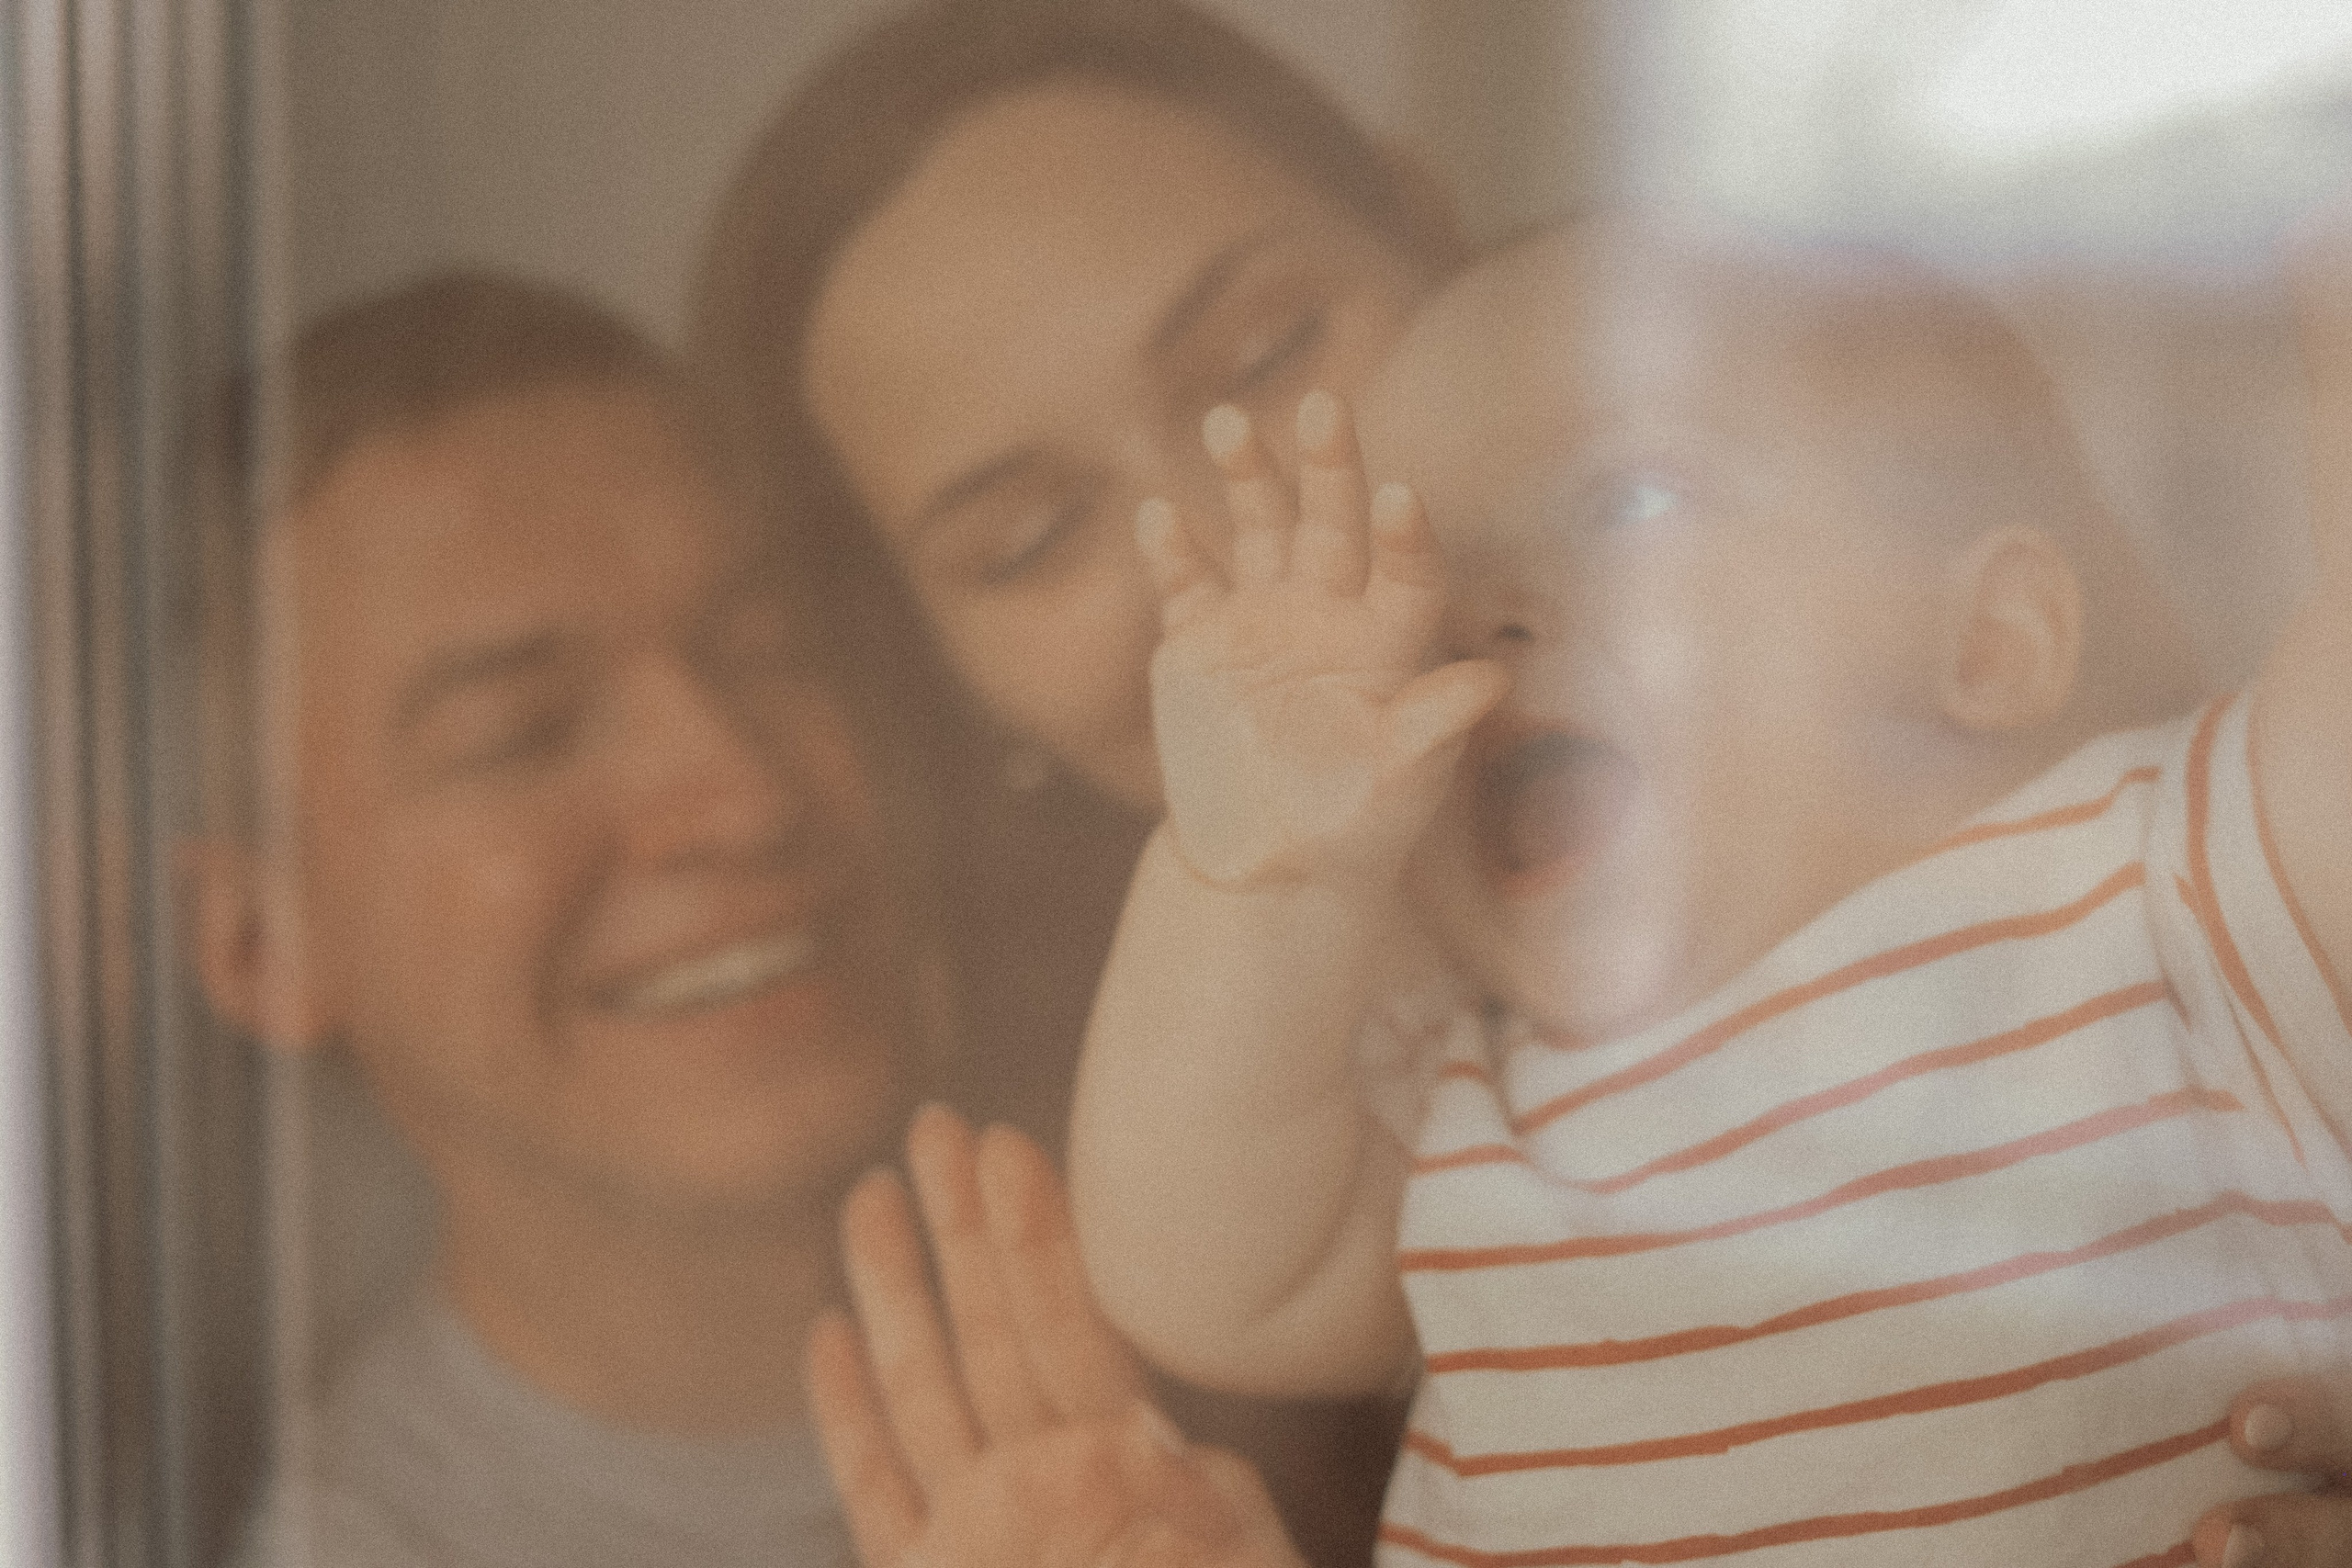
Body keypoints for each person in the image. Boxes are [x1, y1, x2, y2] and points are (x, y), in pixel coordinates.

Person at [1069, 219, 2352, 1566]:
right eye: (1423, 588)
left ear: (1987, 636)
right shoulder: (1474, 1097)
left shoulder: (2155, 889)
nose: (1471, 623)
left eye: (1623, 502)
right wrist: (1262, 880)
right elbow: (1196, 1279)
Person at [691, 1, 1460, 1557]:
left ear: (1433, 233)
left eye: (1266, 351)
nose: (1210, 540)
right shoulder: (1103, 1300)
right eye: (1029, 539)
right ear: (951, 683)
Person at [182, 272, 940, 1567]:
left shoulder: (1240, 1302)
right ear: (265, 947)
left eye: (774, 648)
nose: (745, 797)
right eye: (519, 735)